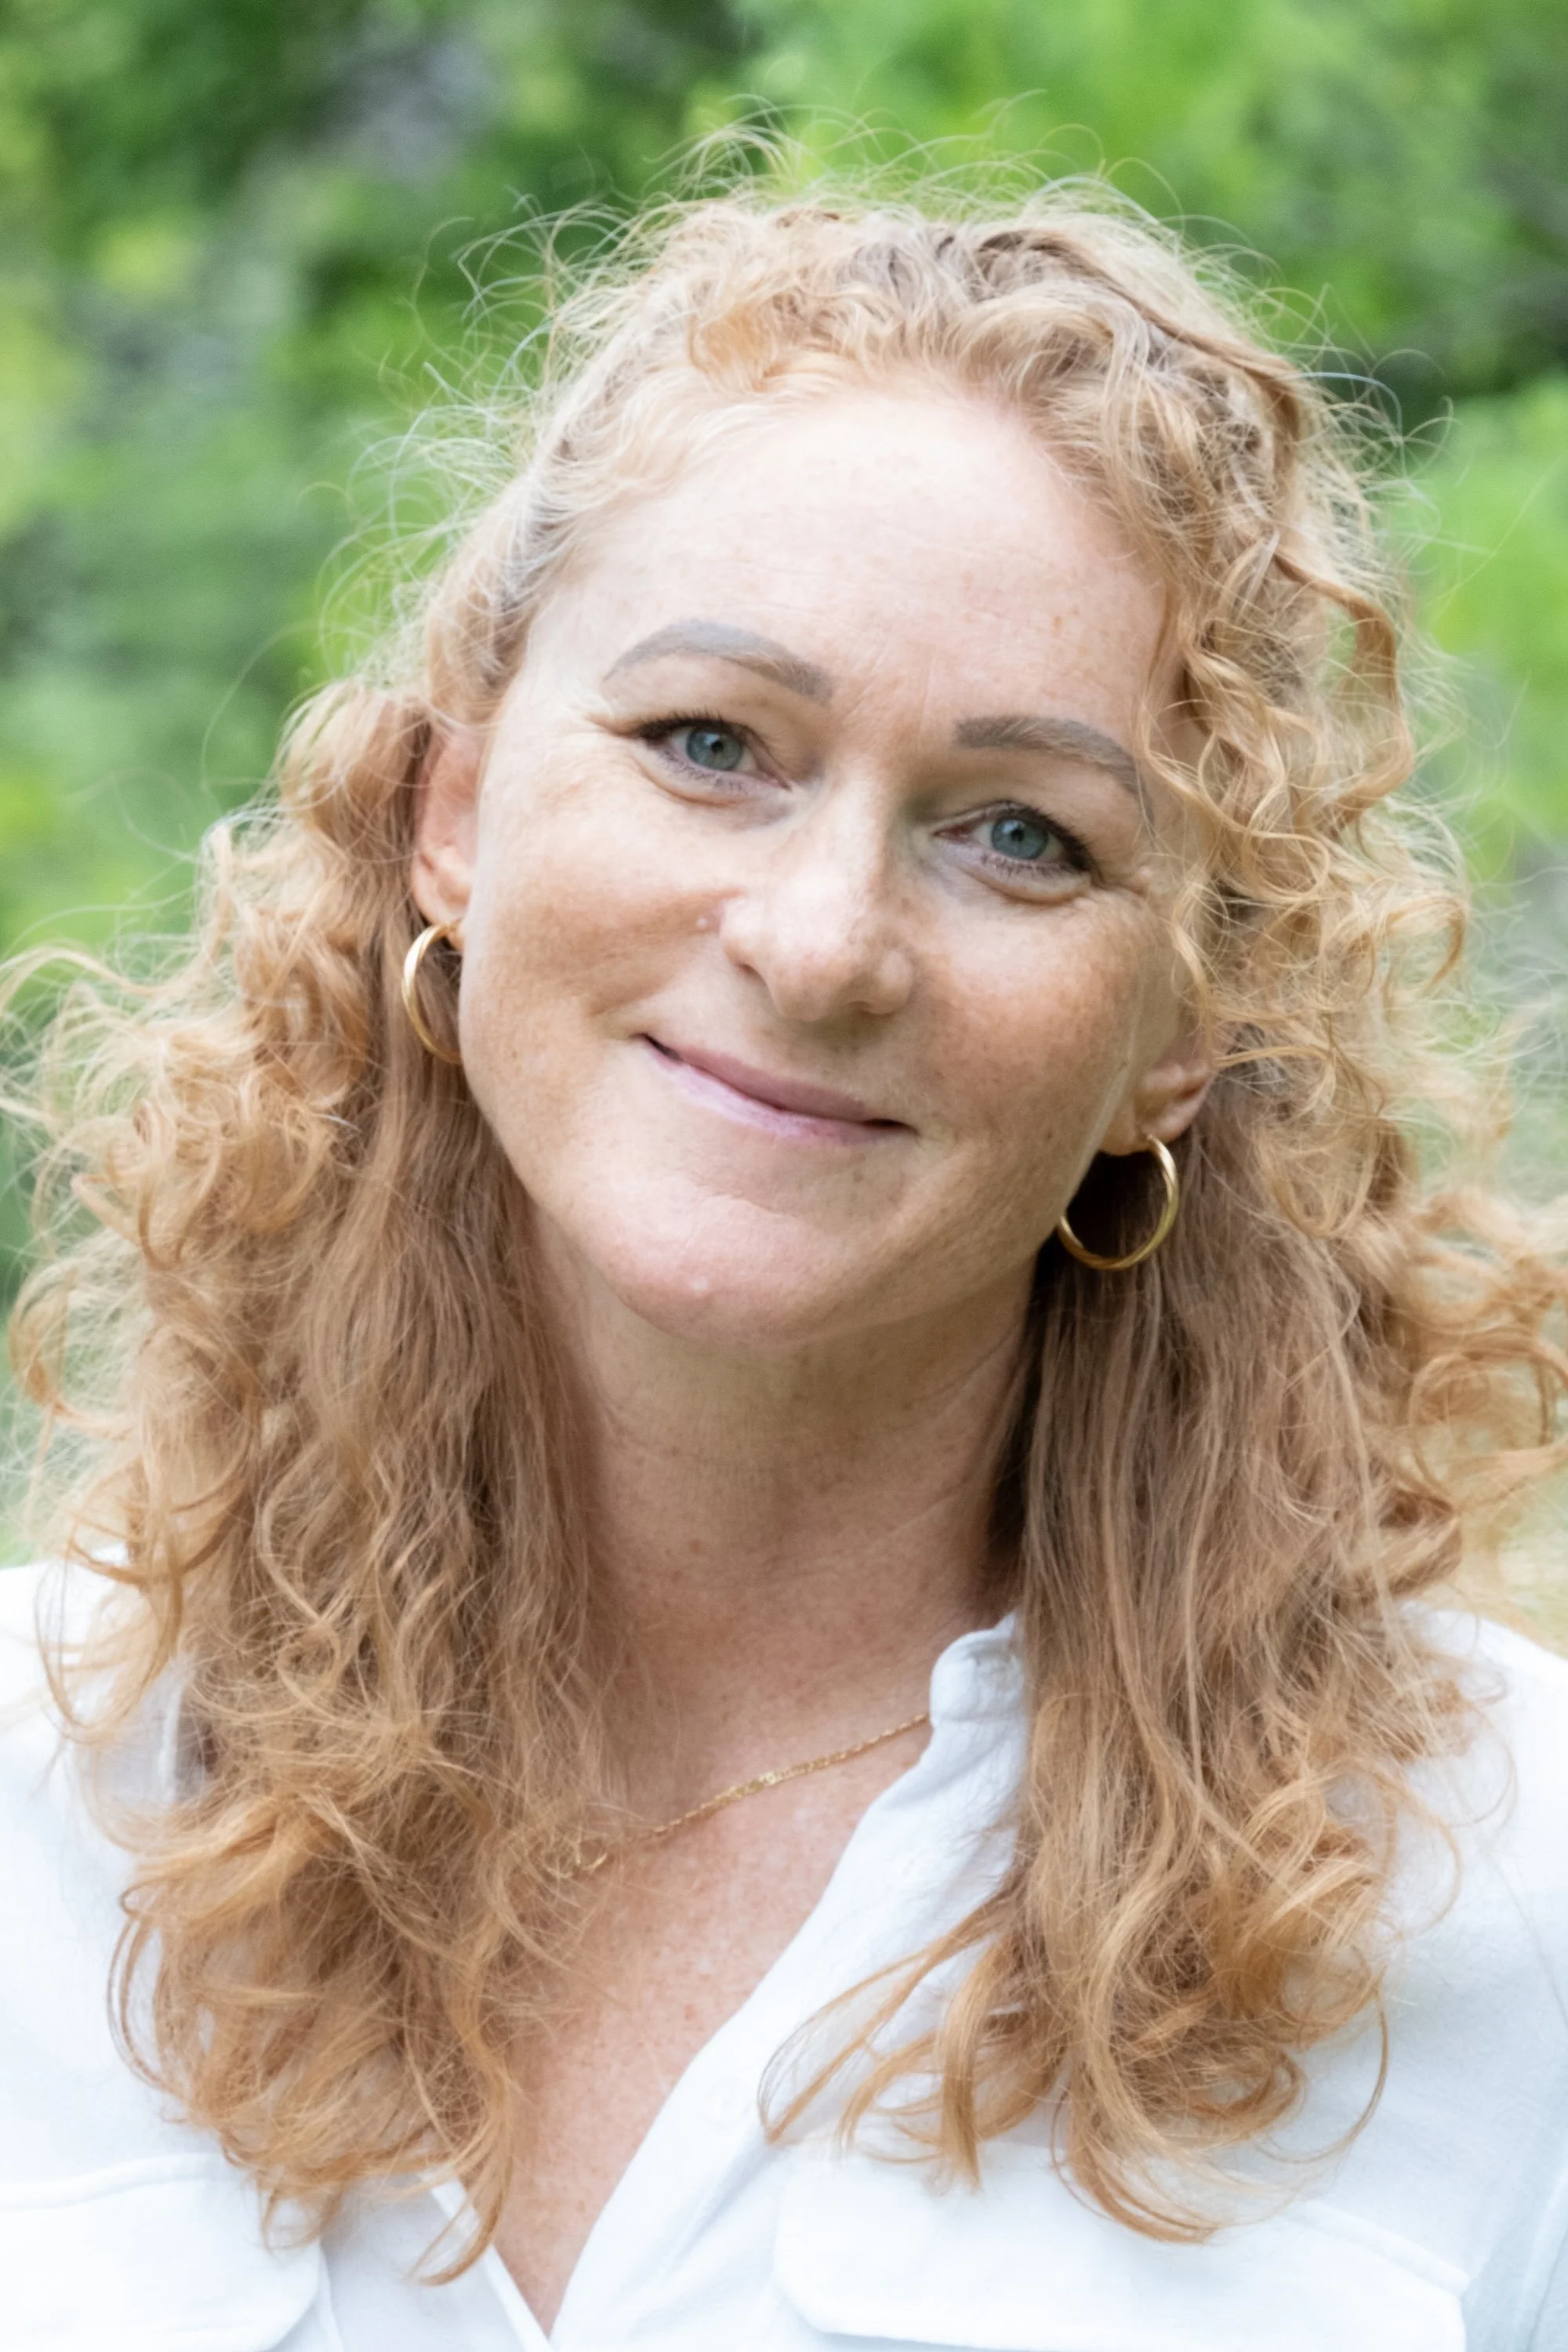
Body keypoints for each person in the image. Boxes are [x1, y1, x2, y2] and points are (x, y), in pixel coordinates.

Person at [2, 181, 1566, 2352]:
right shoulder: (36, 1800)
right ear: (454, 808)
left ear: (1185, 1028)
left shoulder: (1506, 1908)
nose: (822, 942)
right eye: (709, 745)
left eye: (1024, 834)